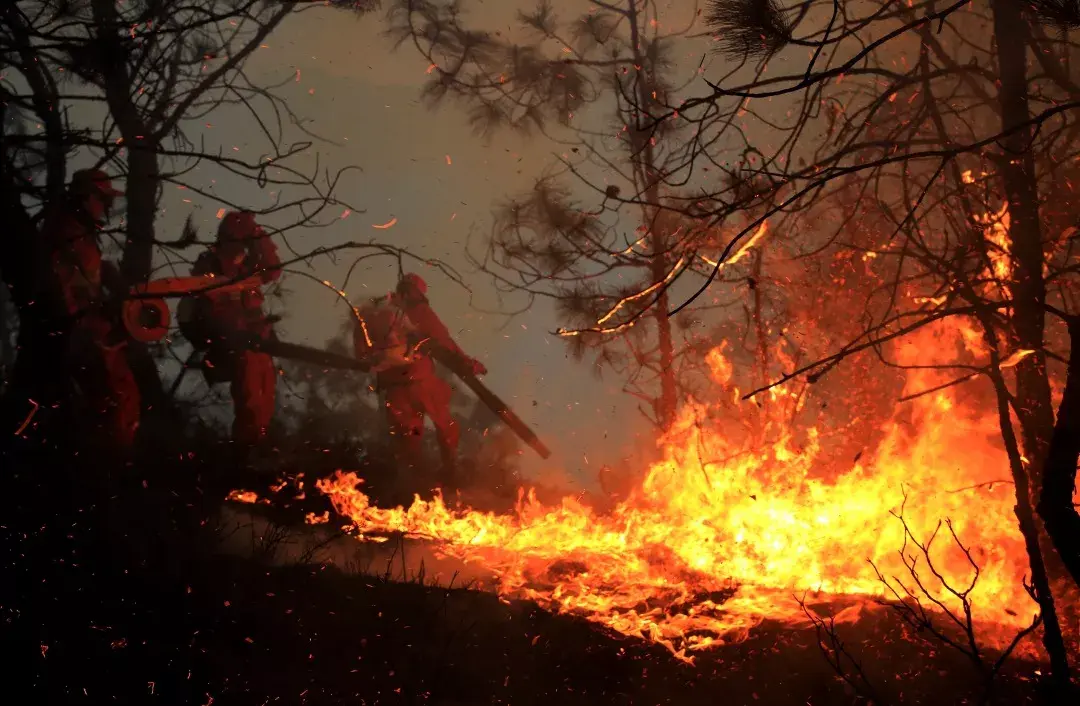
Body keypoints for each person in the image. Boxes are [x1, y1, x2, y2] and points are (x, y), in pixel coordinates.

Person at [354, 273, 487, 487]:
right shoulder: (420, 312)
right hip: (421, 383)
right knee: (446, 428)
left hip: (394, 391)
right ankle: (449, 475)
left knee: (408, 446)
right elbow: (444, 342)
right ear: (416, 292)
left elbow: (361, 353)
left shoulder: (375, 314)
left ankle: (417, 489)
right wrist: (468, 363)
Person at [43, 168, 140, 450]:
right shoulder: (66, 234)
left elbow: (90, 276)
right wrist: (83, 327)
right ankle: (108, 474)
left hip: (96, 334)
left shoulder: (82, 235)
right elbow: (61, 290)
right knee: (112, 405)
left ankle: (115, 467)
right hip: (87, 337)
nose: (107, 207)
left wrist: (113, 280)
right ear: (86, 198)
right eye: (103, 200)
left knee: (122, 400)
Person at [191, 210, 281, 455]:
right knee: (250, 399)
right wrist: (237, 332)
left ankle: (259, 446)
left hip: (257, 342)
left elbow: (272, 269)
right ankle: (247, 453)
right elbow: (211, 308)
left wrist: (260, 236)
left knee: (265, 399)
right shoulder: (210, 266)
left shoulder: (245, 266)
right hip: (237, 344)